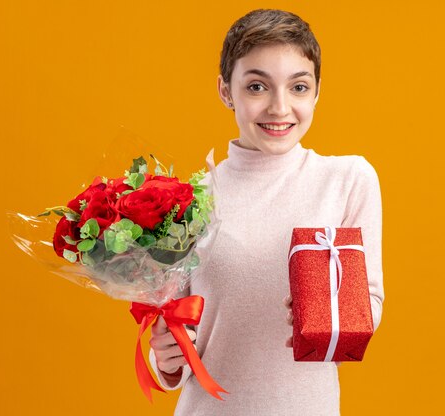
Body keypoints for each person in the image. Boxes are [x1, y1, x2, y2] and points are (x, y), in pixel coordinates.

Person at [148, 9, 384, 415]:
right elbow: (174, 331)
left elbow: (370, 302)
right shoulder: (190, 198)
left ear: (316, 92)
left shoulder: (347, 180)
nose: (279, 107)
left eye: (298, 87)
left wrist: (334, 316)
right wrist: (165, 361)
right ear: (226, 91)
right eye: (257, 86)